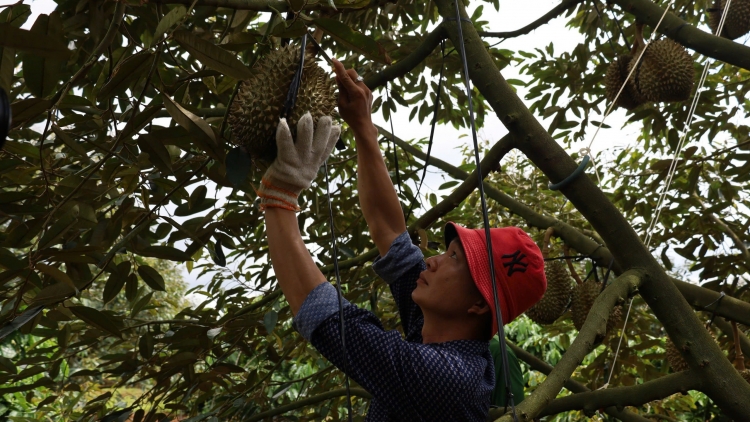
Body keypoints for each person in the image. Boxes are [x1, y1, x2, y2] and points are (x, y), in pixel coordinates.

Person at [258, 58, 547, 421]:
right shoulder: (441, 330)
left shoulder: (450, 378)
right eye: (446, 252)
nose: (432, 260)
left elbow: (328, 317)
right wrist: (364, 127)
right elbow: (389, 231)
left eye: (454, 260)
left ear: (477, 305)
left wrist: (280, 198)